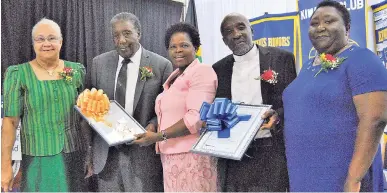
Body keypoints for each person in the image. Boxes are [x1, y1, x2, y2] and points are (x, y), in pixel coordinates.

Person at [282, 1, 387, 191]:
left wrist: (354, 179)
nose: (320, 27)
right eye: (314, 23)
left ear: (347, 28)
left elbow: (375, 119)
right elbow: (306, 105)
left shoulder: (362, 59)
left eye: (329, 21)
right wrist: (278, 115)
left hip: (341, 177)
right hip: (305, 175)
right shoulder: (308, 66)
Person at [1, 18, 90, 192]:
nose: (46, 43)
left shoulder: (75, 71)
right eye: (40, 39)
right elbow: (10, 123)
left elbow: (85, 117)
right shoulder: (18, 74)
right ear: (33, 43)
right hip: (37, 159)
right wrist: (5, 167)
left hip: (73, 156)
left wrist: (89, 154)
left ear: (61, 42)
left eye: (52, 38)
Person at [87, 12, 173, 192]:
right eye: (116, 35)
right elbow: (90, 106)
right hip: (107, 159)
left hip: (143, 158)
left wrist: (153, 124)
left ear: (139, 33)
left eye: (126, 33)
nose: (121, 40)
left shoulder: (161, 65)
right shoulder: (98, 64)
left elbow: (167, 108)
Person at [212, 13, 297, 192]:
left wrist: (278, 116)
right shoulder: (218, 69)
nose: (236, 34)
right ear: (224, 40)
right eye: (229, 32)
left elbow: (294, 102)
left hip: (271, 151)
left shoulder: (282, 59)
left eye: (241, 27)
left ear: (252, 30)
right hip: (234, 156)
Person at [134, 22, 218, 192]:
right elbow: (171, 112)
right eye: (173, 46)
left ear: (195, 47)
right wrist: (154, 125)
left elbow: (195, 118)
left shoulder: (202, 71)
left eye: (184, 45)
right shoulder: (175, 76)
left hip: (193, 157)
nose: (178, 50)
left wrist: (158, 136)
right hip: (171, 157)